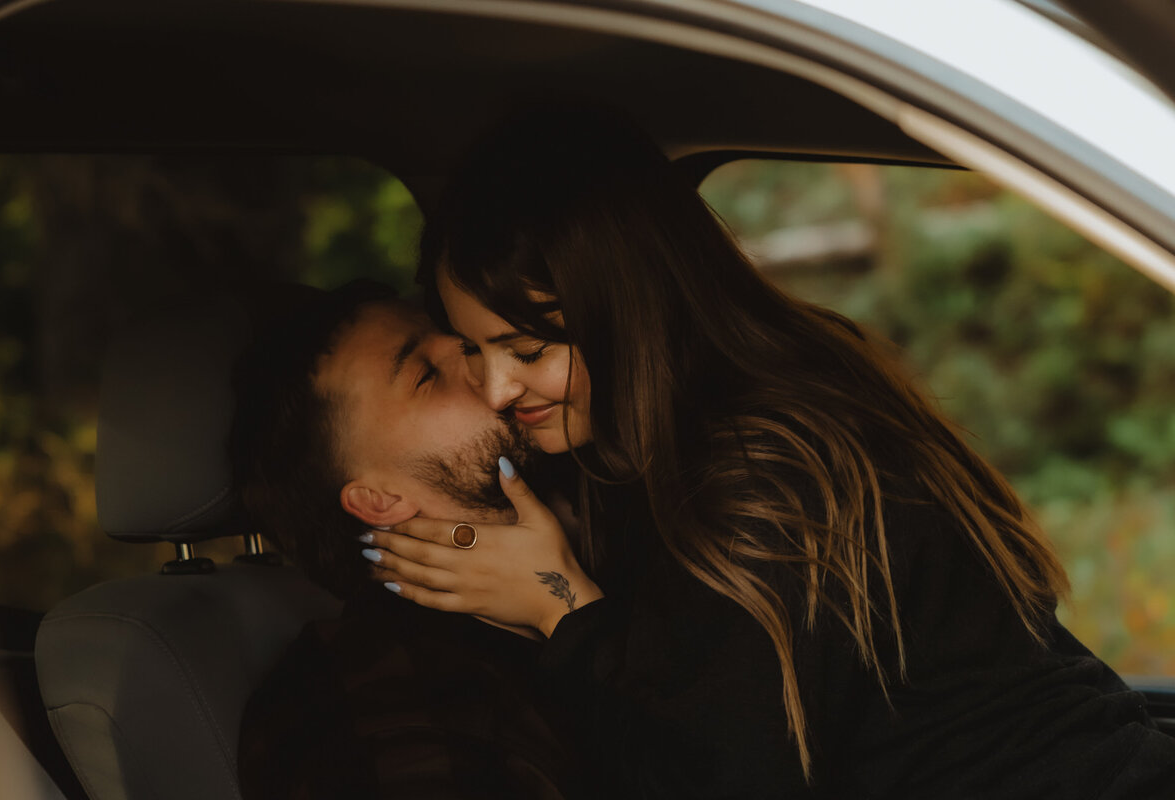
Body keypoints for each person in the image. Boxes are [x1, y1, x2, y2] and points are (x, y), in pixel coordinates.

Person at [362, 108, 1175, 798]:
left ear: (631, 314)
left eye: (529, 349)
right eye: (472, 352)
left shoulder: (761, 478)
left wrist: (561, 610)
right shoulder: (730, 415)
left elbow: (727, 777)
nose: (499, 387)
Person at [229, 280, 585, 799]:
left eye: (461, 338)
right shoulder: (377, 700)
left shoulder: (628, 550)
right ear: (379, 501)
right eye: (426, 375)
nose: (484, 364)